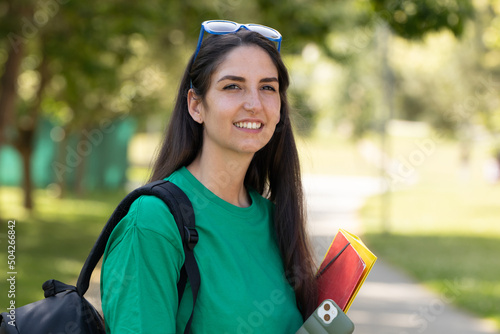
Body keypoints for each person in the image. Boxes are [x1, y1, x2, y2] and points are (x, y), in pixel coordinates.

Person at [100, 20, 318, 333]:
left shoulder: (275, 218)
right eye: (233, 86)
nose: (254, 104)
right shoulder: (152, 223)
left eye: (267, 87)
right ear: (196, 105)